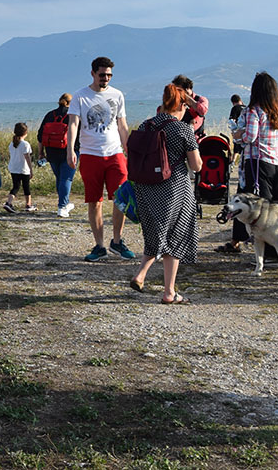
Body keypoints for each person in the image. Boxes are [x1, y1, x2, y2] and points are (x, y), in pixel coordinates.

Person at [129, 84, 203, 304]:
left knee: (156, 232)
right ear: (182, 104)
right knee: (176, 236)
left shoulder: (146, 124)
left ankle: (141, 274)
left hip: (144, 186)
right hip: (175, 188)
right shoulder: (182, 129)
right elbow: (196, 165)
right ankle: (169, 292)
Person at [217, 72, 278, 255]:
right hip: (276, 162)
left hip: (257, 163)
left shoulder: (253, 111)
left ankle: (269, 252)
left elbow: (250, 137)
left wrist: (237, 135)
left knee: (260, 209)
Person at [67, 57, 133, 262]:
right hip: (90, 154)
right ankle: (99, 245)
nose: (106, 78)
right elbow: (73, 125)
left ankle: (117, 240)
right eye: (102, 74)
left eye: (109, 75)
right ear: (93, 73)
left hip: (115, 153)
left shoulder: (117, 95)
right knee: (94, 201)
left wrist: (129, 150)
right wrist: (70, 149)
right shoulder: (80, 96)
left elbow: (122, 125)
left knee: (120, 199)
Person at [37, 93, 77, 218]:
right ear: (71, 103)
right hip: (69, 151)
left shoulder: (50, 115)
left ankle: (64, 203)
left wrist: (41, 153)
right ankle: (62, 206)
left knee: (60, 179)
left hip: (51, 151)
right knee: (66, 179)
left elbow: (40, 136)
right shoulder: (73, 115)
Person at [4, 122, 34, 213]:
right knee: (26, 187)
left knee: (16, 186)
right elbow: (27, 157)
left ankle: (8, 202)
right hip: (23, 169)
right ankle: (28, 204)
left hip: (13, 168)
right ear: (25, 132)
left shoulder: (12, 144)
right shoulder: (25, 144)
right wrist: (31, 170)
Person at [172, 75, 208, 139]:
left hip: (197, 139)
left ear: (187, 88)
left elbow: (202, 111)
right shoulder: (176, 102)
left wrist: (188, 99)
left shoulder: (201, 99)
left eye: (179, 90)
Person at [229, 94, 246, 159]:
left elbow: (232, 121)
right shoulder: (246, 107)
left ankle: (233, 163)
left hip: (239, 132)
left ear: (233, 102)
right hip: (246, 132)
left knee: (236, 150)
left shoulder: (235, 108)